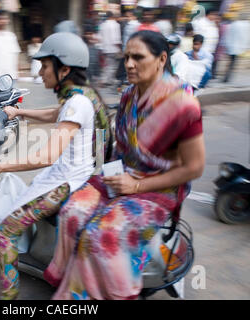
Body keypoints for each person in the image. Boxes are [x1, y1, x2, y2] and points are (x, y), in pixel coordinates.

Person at [44, 30, 205, 300]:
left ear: (161, 59)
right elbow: (122, 147)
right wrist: (111, 175)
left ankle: (103, 294)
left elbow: (194, 167)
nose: (129, 64)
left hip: (159, 188)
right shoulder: (129, 95)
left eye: (138, 57)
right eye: (126, 57)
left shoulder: (184, 105)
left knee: (100, 236)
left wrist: (138, 184)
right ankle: (73, 279)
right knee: (71, 211)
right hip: (123, 175)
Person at [0, 32, 111, 300]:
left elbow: (46, 156)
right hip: (73, 174)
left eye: (45, 66)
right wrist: (20, 112)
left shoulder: (77, 102)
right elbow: (55, 113)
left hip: (64, 183)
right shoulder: (81, 95)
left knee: (6, 230)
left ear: (65, 69)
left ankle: (9, 299)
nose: (40, 72)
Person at [221, 13, 250, 83]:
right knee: (232, 63)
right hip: (239, 46)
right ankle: (227, 77)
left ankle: (226, 77)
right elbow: (247, 37)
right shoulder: (247, 25)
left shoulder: (233, 24)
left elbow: (227, 34)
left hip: (231, 45)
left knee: (230, 62)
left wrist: (224, 44)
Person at [98, 11, 122, 88]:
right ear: (113, 16)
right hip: (113, 48)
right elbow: (116, 38)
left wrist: (101, 47)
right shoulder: (115, 25)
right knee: (112, 65)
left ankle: (107, 80)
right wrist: (119, 48)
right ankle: (105, 81)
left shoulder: (102, 25)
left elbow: (100, 37)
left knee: (107, 65)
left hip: (105, 48)